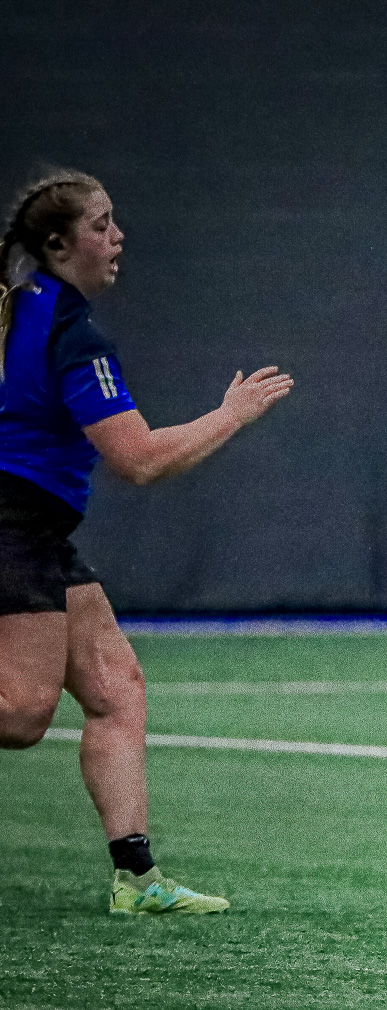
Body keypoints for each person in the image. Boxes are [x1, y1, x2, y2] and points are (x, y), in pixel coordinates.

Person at [0, 170, 293, 914]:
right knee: (23, 713)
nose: (116, 235)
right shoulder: (71, 334)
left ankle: (137, 880)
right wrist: (232, 413)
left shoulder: (21, 309)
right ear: (60, 245)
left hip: (37, 526)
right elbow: (141, 459)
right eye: (100, 225)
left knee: (116, 690)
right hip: (12, 522)